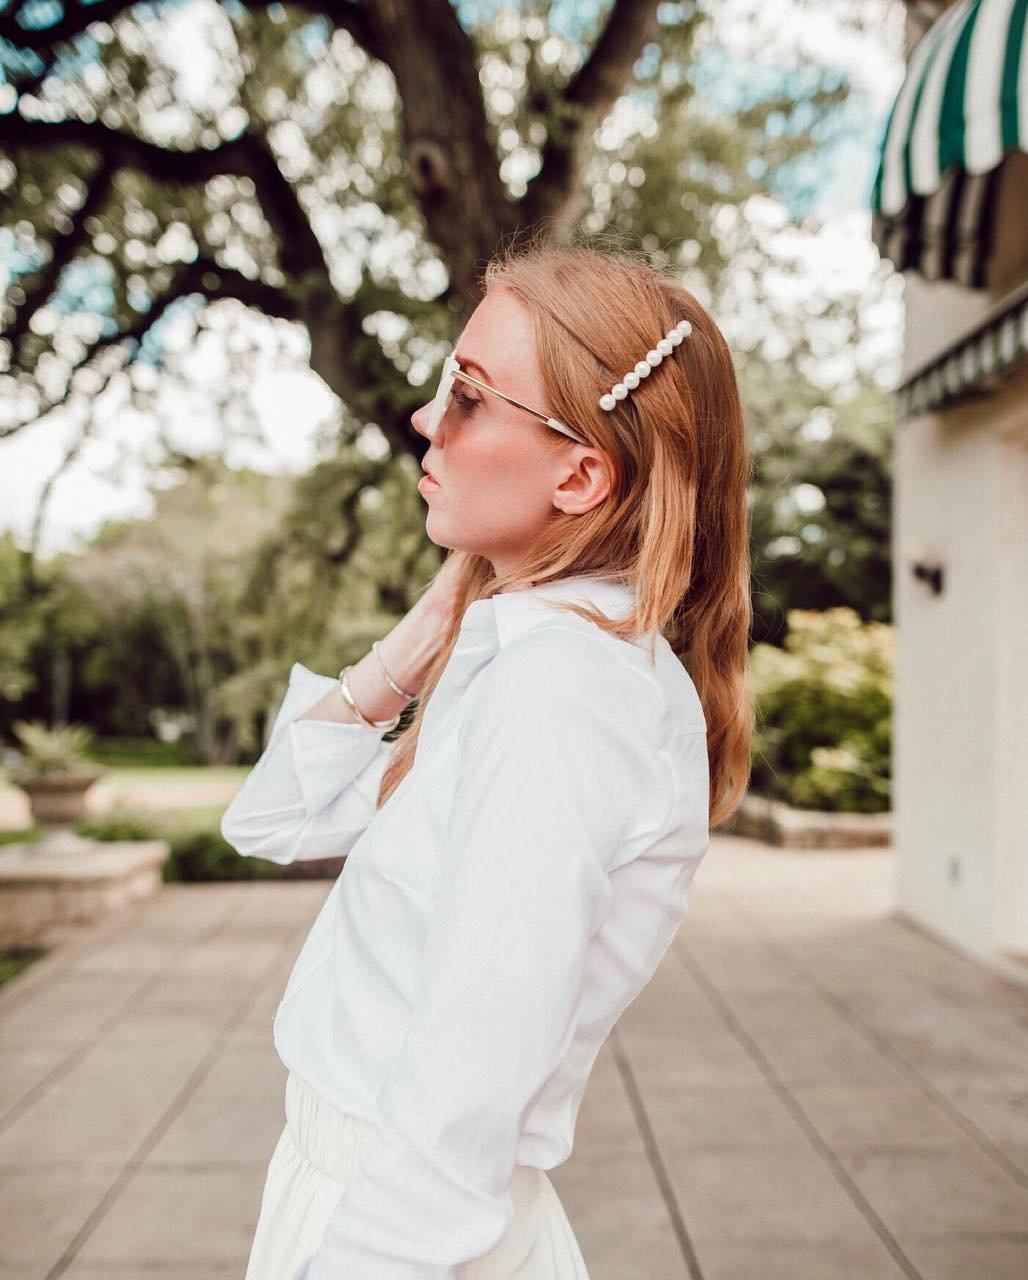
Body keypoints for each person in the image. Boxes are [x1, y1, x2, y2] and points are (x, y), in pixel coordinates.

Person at [221, 236, 754, 1280]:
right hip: (349, 1184)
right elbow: (274, 817)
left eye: (468, 394)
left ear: (581, 472)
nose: (428, 419)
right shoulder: (518, 656)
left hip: (392, 1227)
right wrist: (431, 625)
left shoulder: (564, 692)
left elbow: (460, 1098)